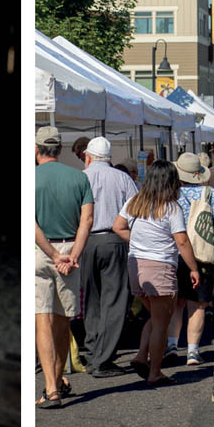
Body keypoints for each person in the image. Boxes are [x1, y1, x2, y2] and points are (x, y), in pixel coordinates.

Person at [115, 161, 200, 385]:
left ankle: (141, 356)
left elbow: (118, 226)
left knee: (155, 317)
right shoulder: (171, 207)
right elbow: (181, 241)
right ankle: (155, 371)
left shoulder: (135, 202)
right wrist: (193, 268)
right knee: (162, 322)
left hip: (135, 266)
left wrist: (139, 241)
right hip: (160, 266)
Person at [35, 126, 94, 408]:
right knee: (62, 321)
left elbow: (30, 224)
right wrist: (72, 254)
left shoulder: (30, 178)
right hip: (70, 250)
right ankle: (57, 382)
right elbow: (88, 220)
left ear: (36, 149)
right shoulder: (79, 178)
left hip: (39, 251)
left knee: (42, 320)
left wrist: (51, 253)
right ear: (59, 149)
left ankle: (51, 388)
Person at [79, 137, 138, 378]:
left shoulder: (81, 177)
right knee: (114, 300)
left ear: (88, 156)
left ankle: (94, 352)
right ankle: (102, 359)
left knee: (91, 299)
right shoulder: (123, 178)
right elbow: (136, 211)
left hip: (85, 241)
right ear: (110, 157)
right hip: (115, 240)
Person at [167, 153, 214, 365]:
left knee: (177, 303)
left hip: (176, 252)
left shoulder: (172, 193)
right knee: (198, 304)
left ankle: (172, 345)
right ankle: (192, 351)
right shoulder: (209, 192)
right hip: (202, 254)